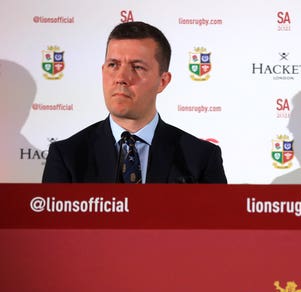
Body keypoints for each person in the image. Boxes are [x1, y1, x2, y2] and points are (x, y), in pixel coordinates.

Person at [42, 21, 226, 183]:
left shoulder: (201, 158)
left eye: (137, 67)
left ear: (162, 82)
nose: (121, 78)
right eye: (113, 65)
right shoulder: (67, 156)